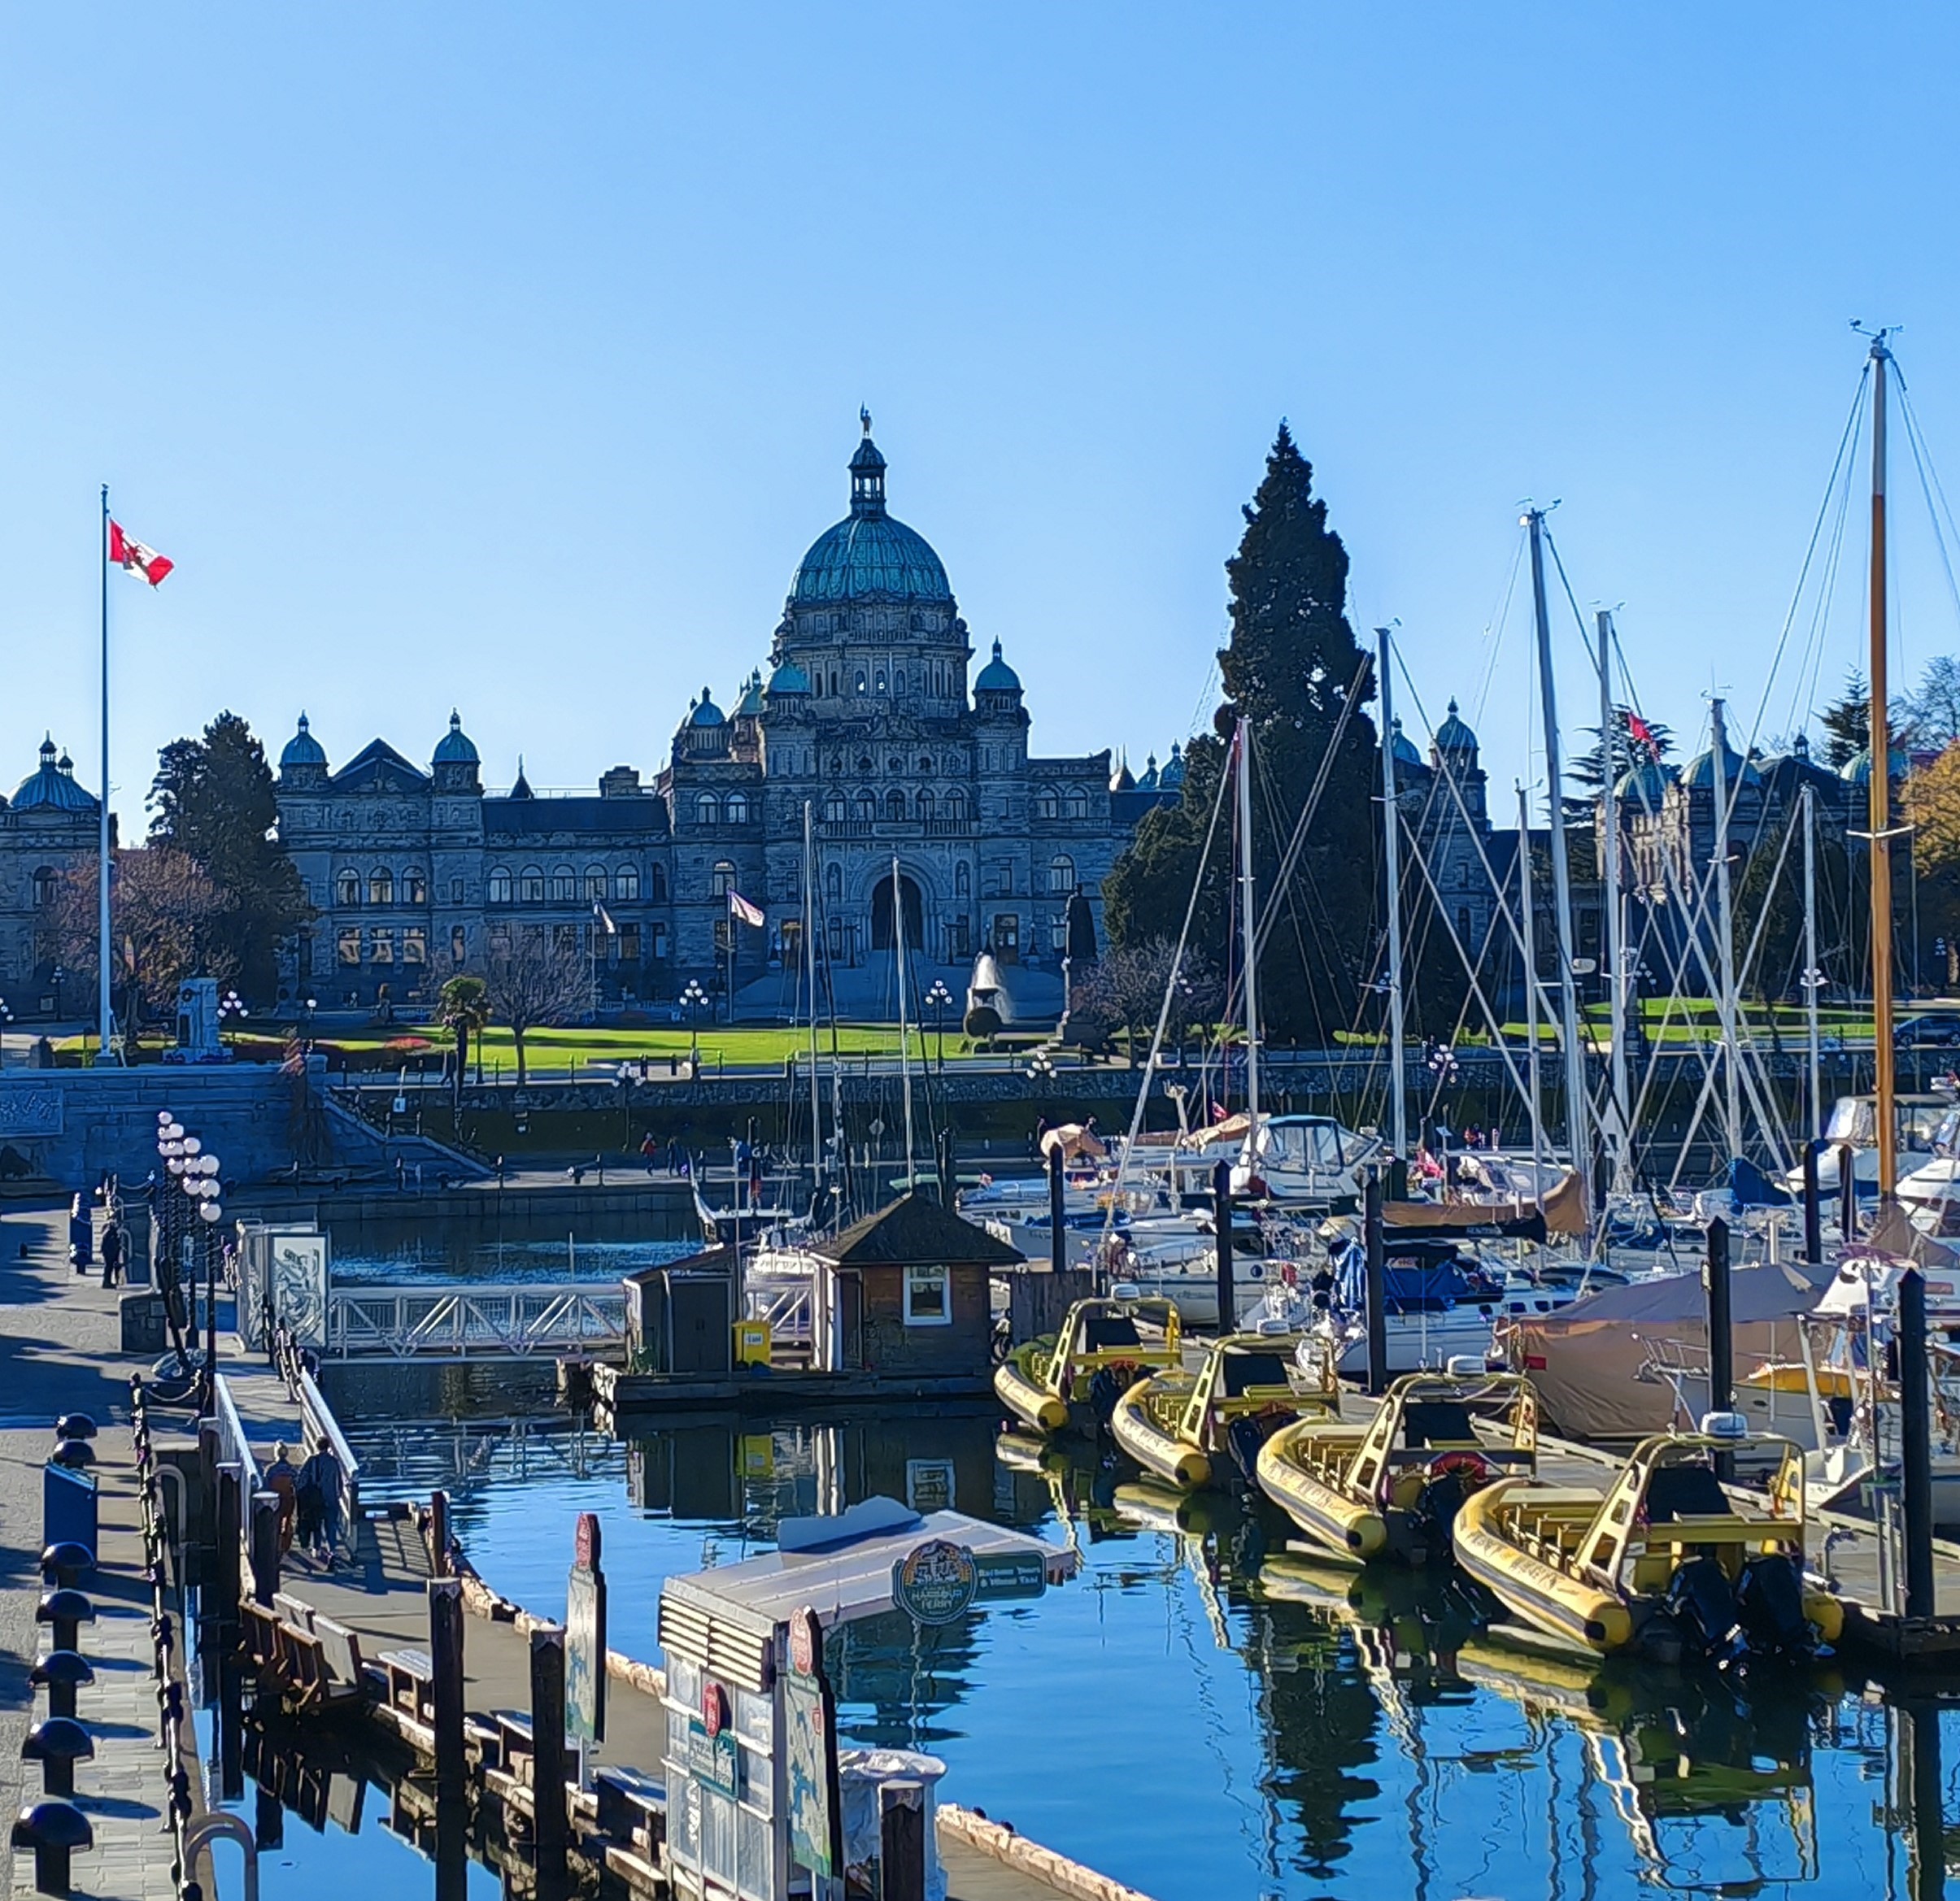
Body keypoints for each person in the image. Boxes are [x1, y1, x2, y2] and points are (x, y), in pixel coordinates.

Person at [297, 1433, 344, 1560]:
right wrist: (339, 1493)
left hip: (316, 1499)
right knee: (331, 1526)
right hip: (331, 1499)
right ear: (328, 1447)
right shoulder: (334, 1462)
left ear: (316, 1446)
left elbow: (302, 1478)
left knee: (317, 1525)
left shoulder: (312, 1460)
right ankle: (332, 1551)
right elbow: (339, 1481)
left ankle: (316, 1549)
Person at [264, 1442, 299, 1554]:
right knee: (288, 1520)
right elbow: (297, 1484)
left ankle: (276, 1544)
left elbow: (266, 1485)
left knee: (276, 1520)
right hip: (288, 1500)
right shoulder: (291, 1470)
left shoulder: (270, 1470)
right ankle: (286, 1545)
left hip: (276, 1499)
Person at [100, 1222, 124, 1289]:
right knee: (110, 1267)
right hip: (110, 1252)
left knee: (109, 1267)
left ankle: (107, 1282)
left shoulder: (108, 1232)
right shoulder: (112, 1234)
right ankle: (107, 1283)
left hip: (108, 1252)